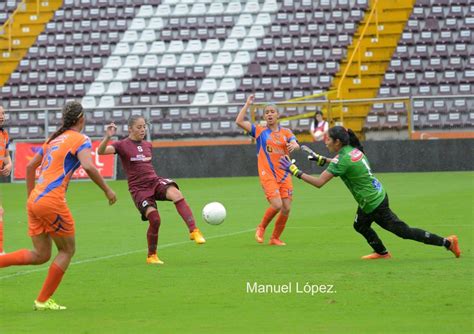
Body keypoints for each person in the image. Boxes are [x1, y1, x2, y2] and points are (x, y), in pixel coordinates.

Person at [0, 101, 117, 311]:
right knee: (67, 249)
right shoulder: (80, 139)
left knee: (41, 255)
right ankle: (43, 300)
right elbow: (89, 165)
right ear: (81, 118)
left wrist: (30, 198)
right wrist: (107, 190)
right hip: (52, 200)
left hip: (35, 200)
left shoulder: (53, 139)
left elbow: (29, 166)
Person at [279, 125, 461, 259]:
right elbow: (342, 164)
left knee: (404, 232)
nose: (325, 141)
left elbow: (319, 182)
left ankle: (447, 242)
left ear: (338, 142)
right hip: (375, 196)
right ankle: (381, 252)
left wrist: (295, 172)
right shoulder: (353, 150)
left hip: (373, 204)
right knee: (360, 225)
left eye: (328, 139)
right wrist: (322, 159)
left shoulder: (342, 159)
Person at [97, 116, 206, 265]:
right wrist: (107, 137)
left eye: (144, 126)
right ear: (130, 129)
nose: (142, 130)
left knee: (176, 193)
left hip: (154, 182)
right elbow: (101, 152)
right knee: (155, 219)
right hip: (139, 189)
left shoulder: (148, 145)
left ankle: (194, 231)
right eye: (139, 127)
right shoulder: (122, 145)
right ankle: (151, 256)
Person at [235, 95, 300, 246]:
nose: (269, 114)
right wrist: (247, 104)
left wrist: (295, 146)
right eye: (267, 112)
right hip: (268, 174)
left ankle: (275, 238)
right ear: (264, 116)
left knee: (286, 207)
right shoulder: (259, 131)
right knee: (277, 205)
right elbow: (238, 121)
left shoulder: (286, 132)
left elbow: (295, 142)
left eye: (272, 111)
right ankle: (261, 227)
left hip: (284, 174)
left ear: (278, 115)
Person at [0, 105, 13, 255]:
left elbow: (6, 155)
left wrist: (9, 163)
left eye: (3, 113)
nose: (2, 116)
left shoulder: (4, 135)